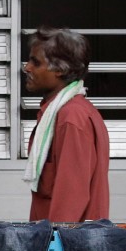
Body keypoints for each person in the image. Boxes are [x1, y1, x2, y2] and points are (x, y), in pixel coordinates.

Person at [22, 26, 110, 222]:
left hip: (65, 246)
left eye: (36, 62)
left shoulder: (72, 117)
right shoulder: (62, 113)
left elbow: (71, 198)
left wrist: (52, 245)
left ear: (60, 70)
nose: (27, 67)